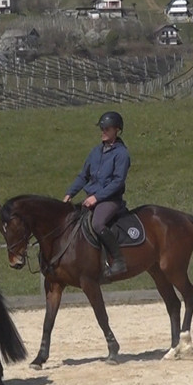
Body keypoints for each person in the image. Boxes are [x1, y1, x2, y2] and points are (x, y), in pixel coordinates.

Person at [64, 110, 130, 279]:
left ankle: (118, 260)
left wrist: (97, 197)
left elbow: (117, 182)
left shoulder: (122, 154)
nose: (103, 131)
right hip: (91, 198)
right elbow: (83, 176)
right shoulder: (95, 152)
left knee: (98, 224)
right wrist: (69, 194)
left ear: (116, 130)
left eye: (107, 129)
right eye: (102, 128)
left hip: (110, 200)